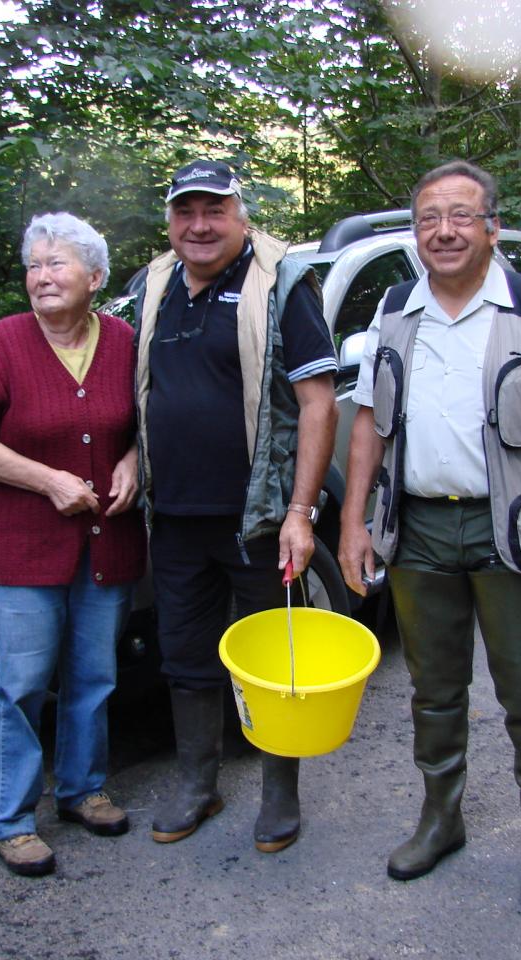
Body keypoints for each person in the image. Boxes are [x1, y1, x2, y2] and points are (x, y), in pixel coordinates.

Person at [338, 160, 521, 916]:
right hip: (419, 528)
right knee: (433, 691)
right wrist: (355, 518)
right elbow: (368, 421)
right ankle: (441, 818)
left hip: (510, 528)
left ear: (491, 226)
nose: (444, 230)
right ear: (414, 232)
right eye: (428, 218)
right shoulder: (395, 306)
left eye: (461, 215)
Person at [132, 159, 338, 852]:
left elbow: (317, 402)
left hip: (260, 520)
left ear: (239, 215)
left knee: (274, 664)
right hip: (177, 519)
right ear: (169, 222)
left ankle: (281, 796)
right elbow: (137, 392)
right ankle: (200, 785)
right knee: (185, 657)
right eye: (185, 212)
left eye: (213, 210)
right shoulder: (152, 287)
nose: (199, 225)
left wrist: (301, 514)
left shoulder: (280, 283)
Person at [0, 212, 146, 877]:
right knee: (23, 683)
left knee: (94, 676)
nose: (41, 276)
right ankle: (11, 820)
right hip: (25, 549)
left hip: (107, 545)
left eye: (55, 263)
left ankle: (83, 789)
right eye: (33, 265)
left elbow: (147, 425)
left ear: (95, 276)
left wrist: (135, 465)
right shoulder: (3, 342)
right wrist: (47, 481)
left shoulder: (124, 341)